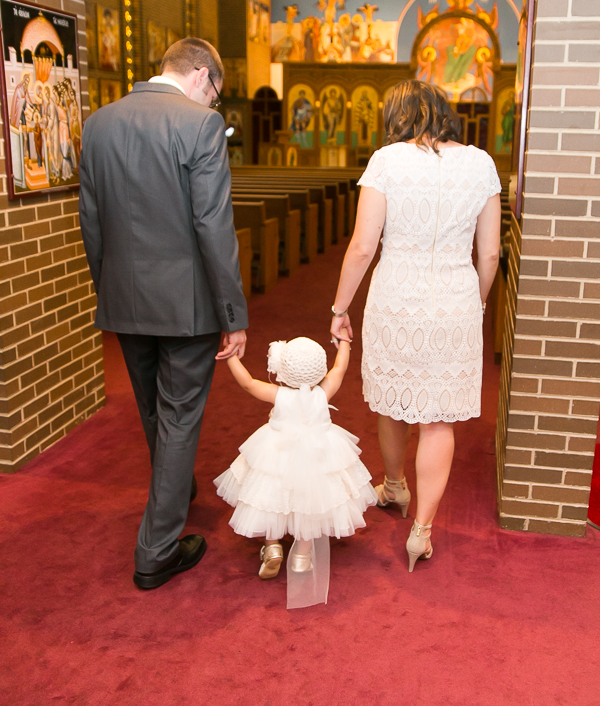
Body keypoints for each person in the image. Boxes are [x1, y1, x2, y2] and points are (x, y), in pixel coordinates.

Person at [79, 37, 248, 590]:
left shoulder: (99, 122)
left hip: (125, 299)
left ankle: (176, 485)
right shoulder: (199, 125)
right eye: (216, 94)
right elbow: (212, 226)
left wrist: (109, 289)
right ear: (202, 75)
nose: (214, 104)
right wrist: (233, 312)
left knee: (154, 408)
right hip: (186, 306)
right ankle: (156, 551)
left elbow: (92, 219)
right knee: (179, 415)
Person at [330, 79, 500, 573]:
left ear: (397, 115)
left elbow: (363, 246)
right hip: (455, 300)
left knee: (393, 398)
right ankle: (421, 530)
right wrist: (479, 300)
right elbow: (489, 252)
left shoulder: (387, 160)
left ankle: (396, 485)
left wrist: (340, 308)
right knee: (438, 417)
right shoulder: (482, 163)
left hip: (396, 299)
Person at [214, 334, 377, 608]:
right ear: (319, 369)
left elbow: (248, 384)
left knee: (271, 497)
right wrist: (345, 344)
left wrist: (231, 357)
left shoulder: (278, 394)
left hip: (277, 454)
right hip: (317, 455)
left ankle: (273, 545)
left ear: (283, 369)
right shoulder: (323, 392)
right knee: (309, 504)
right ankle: (302, 555)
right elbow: (340, 369)